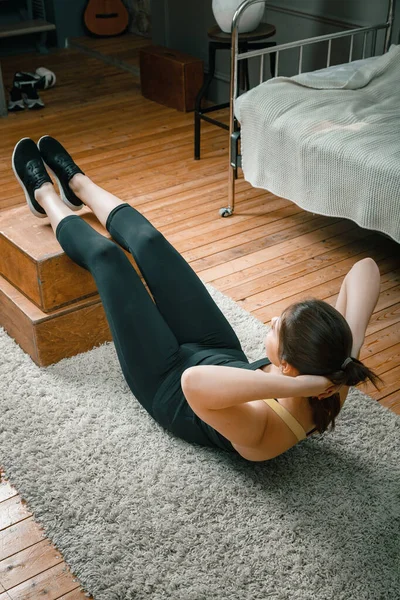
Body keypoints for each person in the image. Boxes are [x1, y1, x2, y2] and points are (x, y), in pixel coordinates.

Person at [12, 136, 382, 462]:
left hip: (166, 382)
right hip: (219, 352)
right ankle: (79, 184)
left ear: (287, 368)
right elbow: (365, 268)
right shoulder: (333, 370)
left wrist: (299, 387)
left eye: (276, 330)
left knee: (108, 260)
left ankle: (44, 196)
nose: (270, 322)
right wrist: (352, 341)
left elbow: (193, 381)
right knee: (149, 243)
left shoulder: (266, 431)